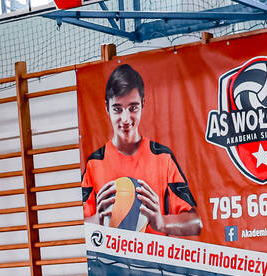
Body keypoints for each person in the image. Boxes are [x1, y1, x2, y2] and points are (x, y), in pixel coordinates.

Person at [82, 64, 202, 237]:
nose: (125, 118)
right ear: (107, 107)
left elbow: (195, 222)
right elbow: (77, 226)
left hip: (154, 255)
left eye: (133, 108)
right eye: (117, 109)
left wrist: (162, 222)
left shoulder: (162, 157)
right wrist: (98, 221)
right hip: (110, 255)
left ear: (143, 104)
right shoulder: (95, 162)